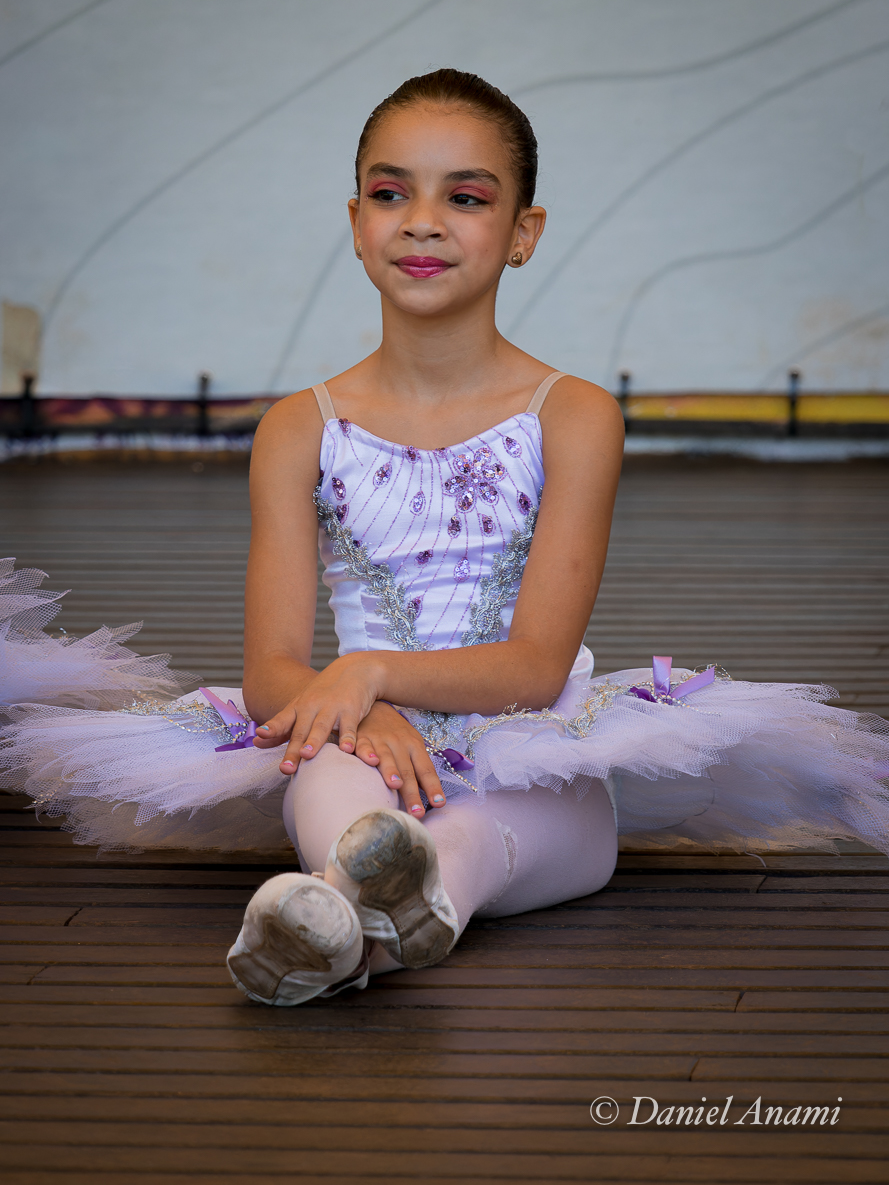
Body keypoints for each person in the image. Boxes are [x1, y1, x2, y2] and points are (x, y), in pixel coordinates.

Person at [3, 71, 888, 1009]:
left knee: (485, 834)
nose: (421, 221)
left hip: (530, 740)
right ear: (355, 222)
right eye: (391, 194)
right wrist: (357, 710)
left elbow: (537, 666)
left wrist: (370, 674)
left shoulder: (573, 415)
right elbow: (271, 671)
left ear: (522, 234)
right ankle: (359, 915)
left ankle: (337, 917)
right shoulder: (300, 427)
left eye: (464, 197)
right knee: (330, 771)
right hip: (353, 737)